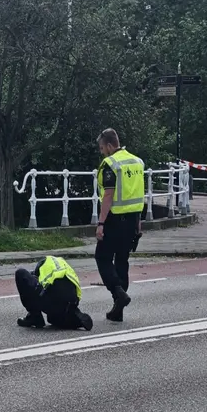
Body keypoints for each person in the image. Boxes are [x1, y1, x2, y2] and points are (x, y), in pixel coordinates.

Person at [94, 128, 145, 322]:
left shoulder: (110, 164)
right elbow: (138, 195)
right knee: (122, 261)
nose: (101, 152)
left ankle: (117, 292)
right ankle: (118, 310)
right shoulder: (136, 162)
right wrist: (138, 224)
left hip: (114, 220)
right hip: (132, 220)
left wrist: (100, 223)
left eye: (101, 148)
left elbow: (108, 195)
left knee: (102, 257)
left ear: (109, 145)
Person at [15, 256, 93, 331]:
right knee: (52, 319)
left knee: (20, 274)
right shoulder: (62, 265)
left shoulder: (43, 267)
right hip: (71, 302)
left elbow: (35, 281)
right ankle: (73, 316)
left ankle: (34, 317)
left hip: (53, 301)